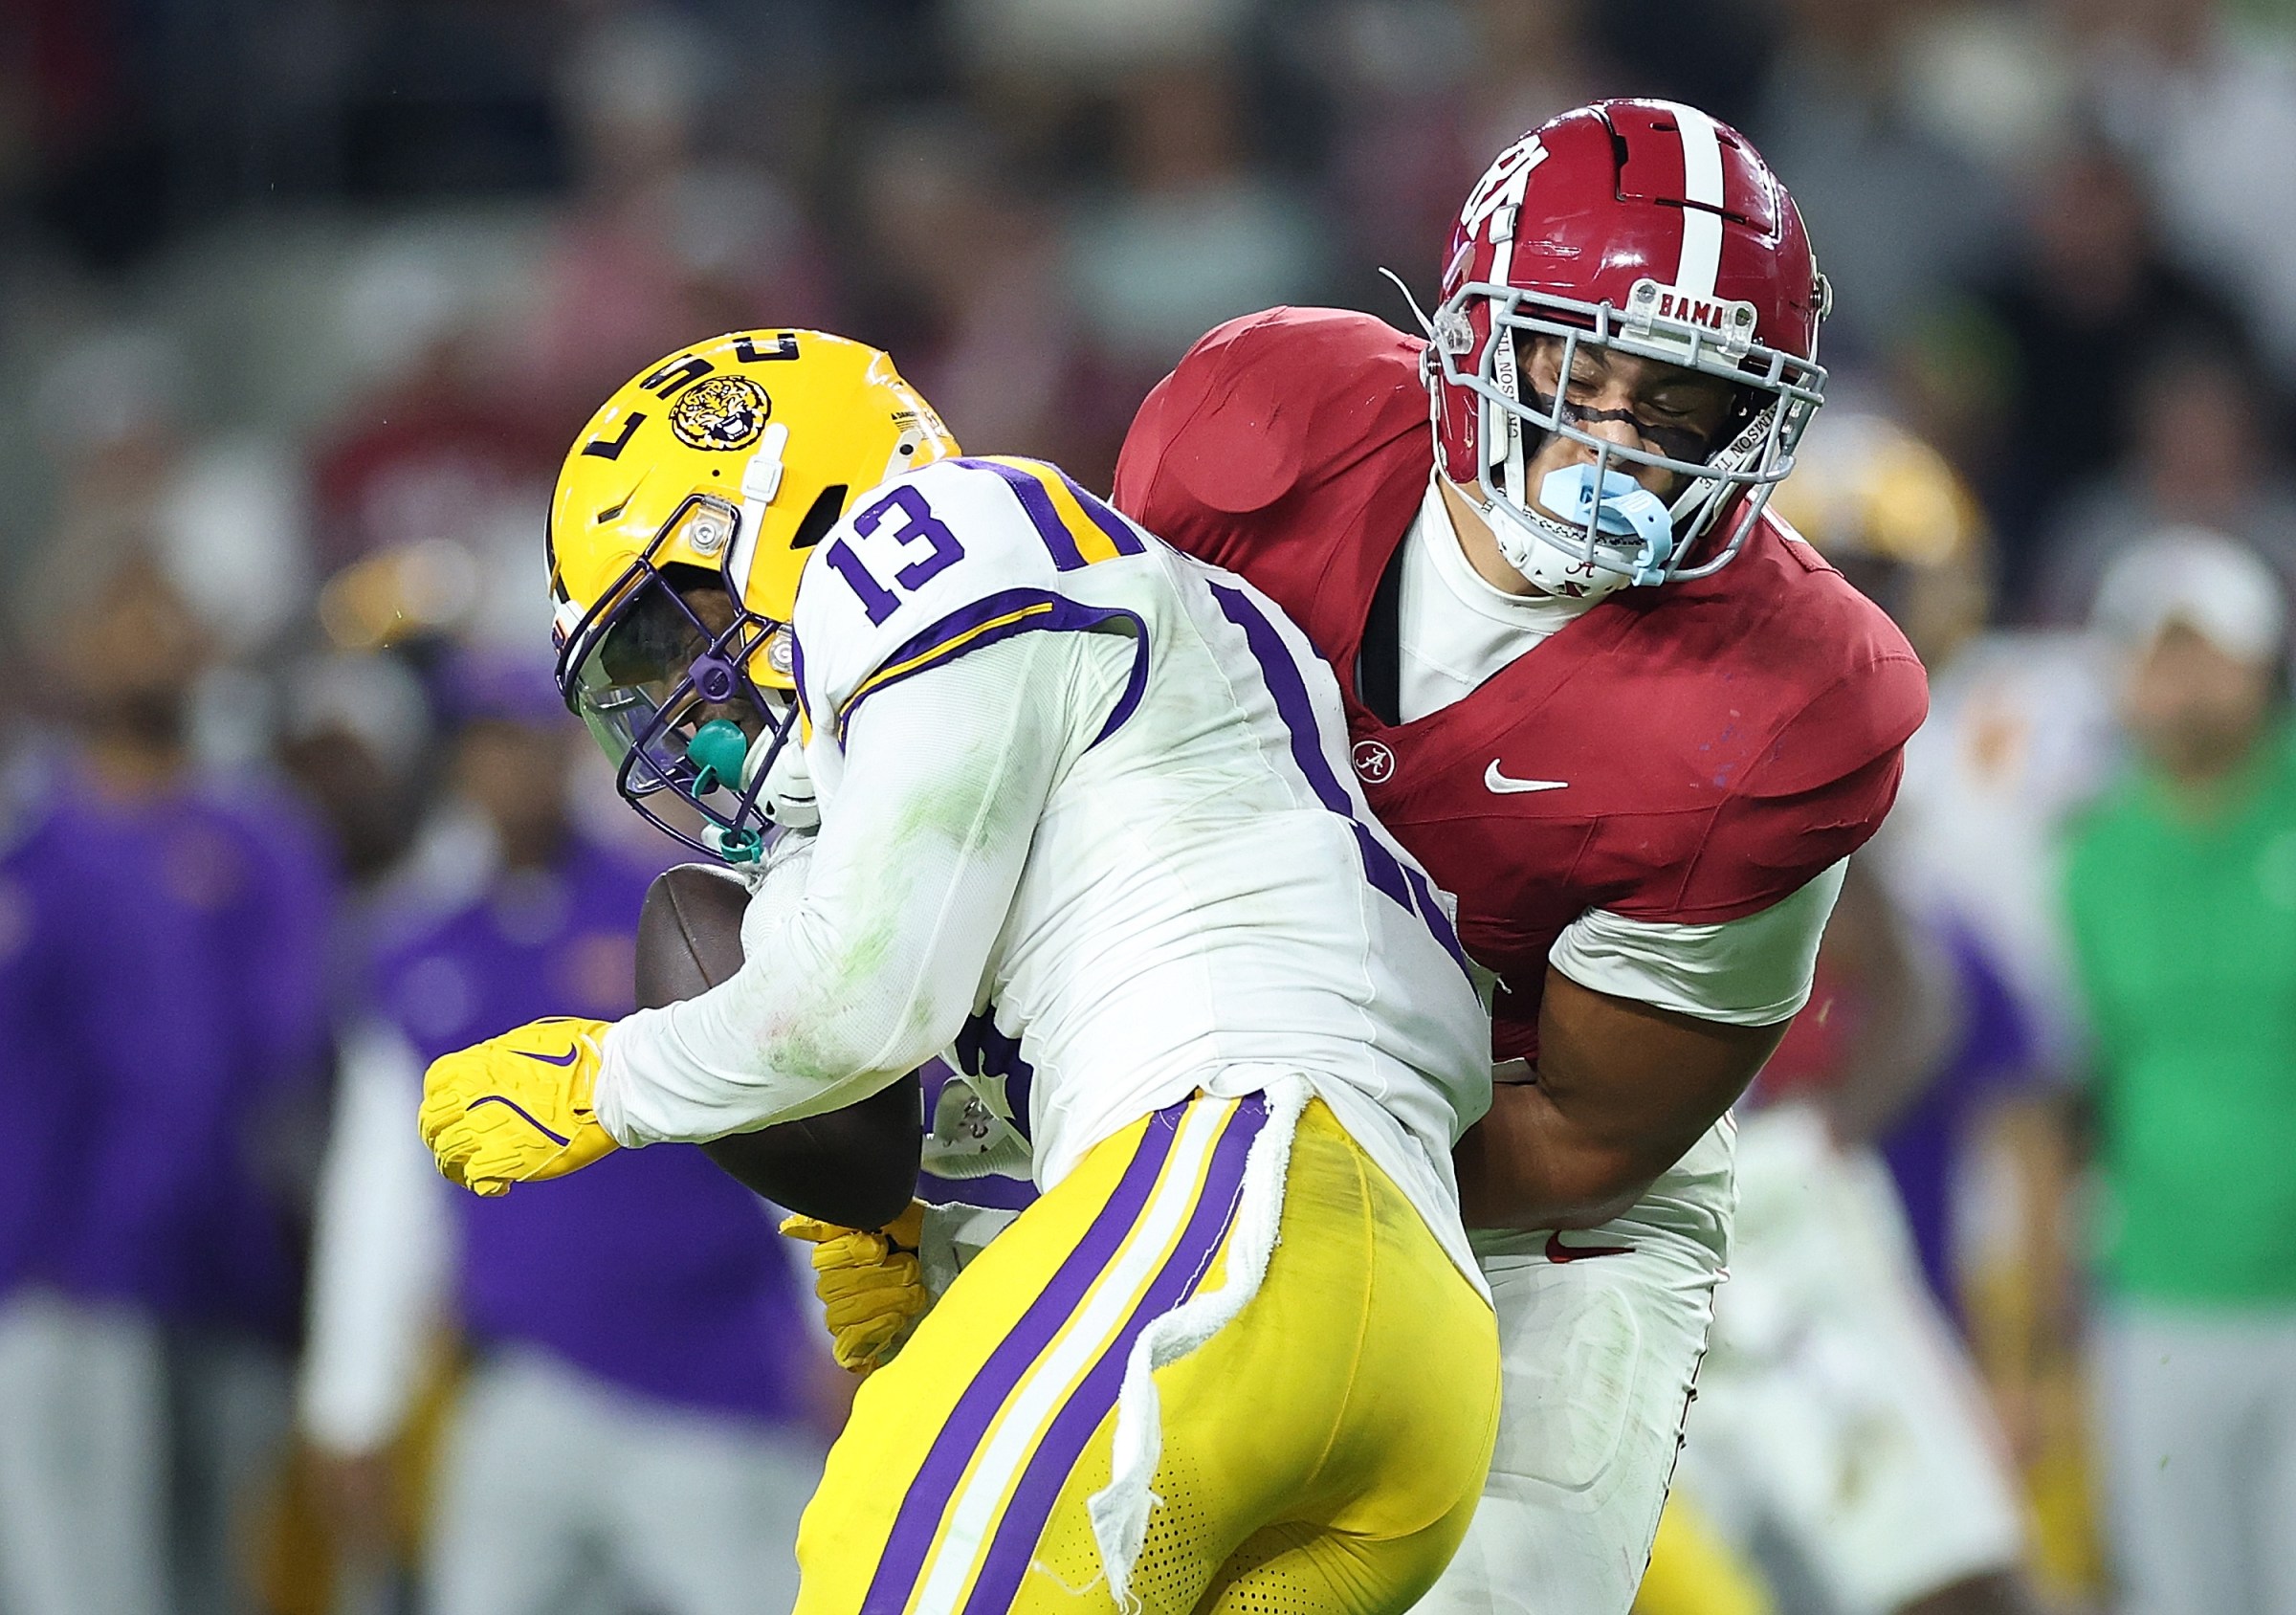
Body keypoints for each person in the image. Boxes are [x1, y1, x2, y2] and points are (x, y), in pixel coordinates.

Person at [418, 330, 1502, 1615]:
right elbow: (967, 1007)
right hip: (1398, 1328)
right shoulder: (1018, 730)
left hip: (1240, 1200)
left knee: (881, 1561)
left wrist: (609, 1082)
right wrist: (898, 1231)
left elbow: (866, 996)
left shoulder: (937, 531)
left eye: (672, 635)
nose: (685, 719)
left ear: (792, 510)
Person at [1109, 100, 1931, 1614]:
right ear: (1474, 334)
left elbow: (1597, 1136)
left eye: (1680, 403)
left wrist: (1251, 1162)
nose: (1611, 443)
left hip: (1540, 1210)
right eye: (1577, 366)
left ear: (1755, 421)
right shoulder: (1262, 428)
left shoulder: (1792, 699)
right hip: (1202, 1105)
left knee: (1494, 1593)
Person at [299, 651, 829, 1615]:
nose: (517, 771)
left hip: (709, 1380)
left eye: (534, 743)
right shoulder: (418, 944)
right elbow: (381, 1190)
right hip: (518, 1388)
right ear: (460, 761)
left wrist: (831, 1327)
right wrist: (355, 1400)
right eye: (491, 746)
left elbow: (779, 1123)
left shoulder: (672, 904)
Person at [1660, 415, 2037, 1615]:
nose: (1851, 609)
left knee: (1929, 1558)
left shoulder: (1846, 757)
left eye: (1878, 578)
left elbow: (1921, 991)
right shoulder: (1695, 732)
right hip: (1670, 1215)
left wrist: (1816, 1129)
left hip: (1785, 1212)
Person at [0, 541, 333, 1615]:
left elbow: (286, 1047)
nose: (145, 638)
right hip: (55, 1279)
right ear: (67, 649)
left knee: (228, 1583)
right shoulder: (26, 848)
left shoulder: (262, 838)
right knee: (87, 1586)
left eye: (166, 613)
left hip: (228, 1270)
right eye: (117, 612)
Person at [2061, 530, 2296, 1615]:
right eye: (2157, 650)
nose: (2181, 676)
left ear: (2262, 658)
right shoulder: (2087, 856)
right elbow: (2067, 1095)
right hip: (2157, 1292)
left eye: (2204, 647)